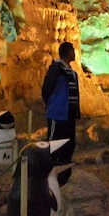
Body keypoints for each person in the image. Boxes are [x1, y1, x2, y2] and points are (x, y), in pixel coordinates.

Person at [41, 41, 81, 186]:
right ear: (68, 52)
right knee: (53, 143)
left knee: (68, 144)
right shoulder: (56, 68)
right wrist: (51, 104)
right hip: (57, 113)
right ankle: (48, 174)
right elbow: (47, 88)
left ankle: (64, 176)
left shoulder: (71, 71)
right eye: (73, 51)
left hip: (69, 115)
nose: (75, 53)